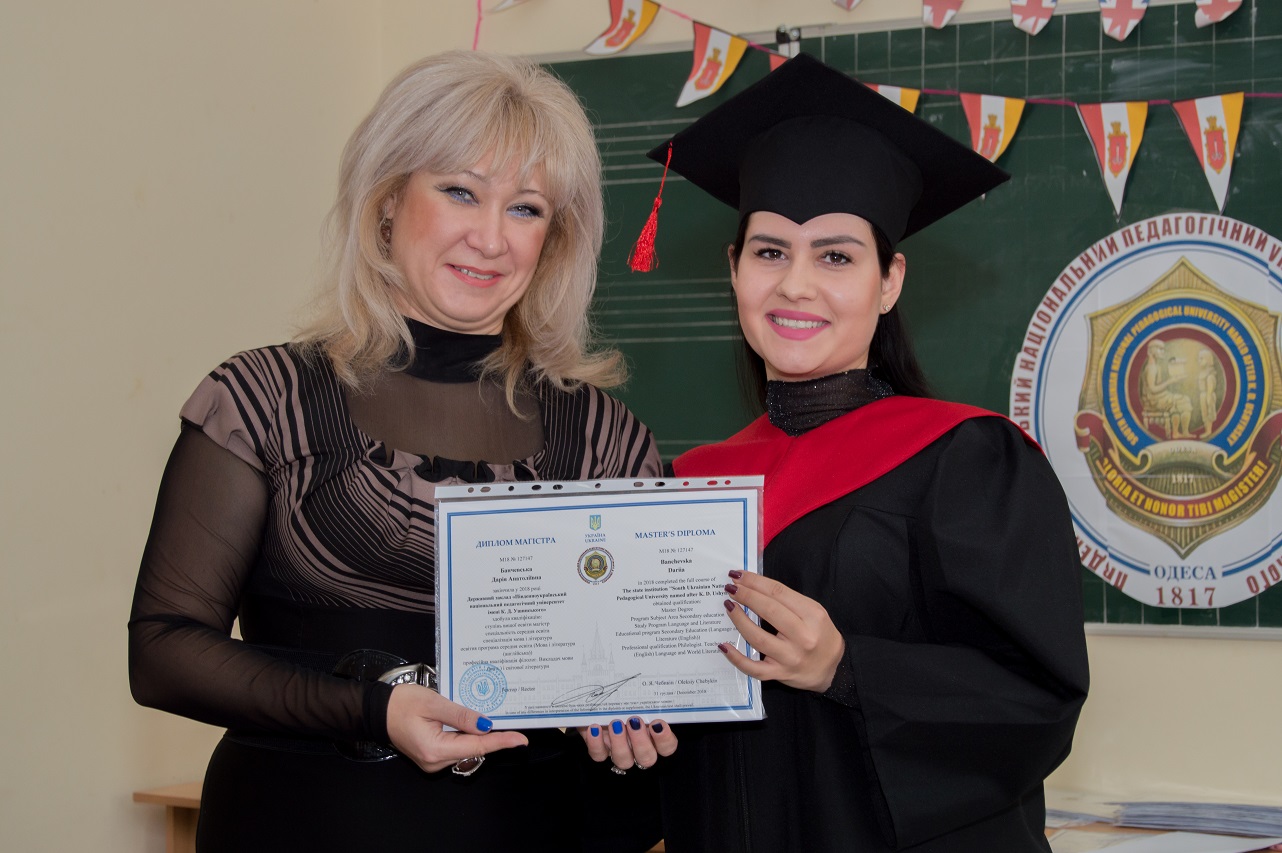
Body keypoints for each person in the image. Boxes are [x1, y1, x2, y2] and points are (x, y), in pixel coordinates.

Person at [128, 50, 673, 852]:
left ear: (554, 241)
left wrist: (637, 733)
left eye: (526, 209)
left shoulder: (608, 443)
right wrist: (373, 708)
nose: (491, 238)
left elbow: (643, 702)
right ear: (387, 203)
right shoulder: (261, 401)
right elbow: (164, 651)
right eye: (460, 192)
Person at [642, 55, 1090, 852]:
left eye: (837, 255)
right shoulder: (682, 487)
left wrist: (847, 667)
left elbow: (1036, 699)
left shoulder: (969, 461)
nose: (795, 285)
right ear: (734, 270)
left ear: (890, 281)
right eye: (769, 252)